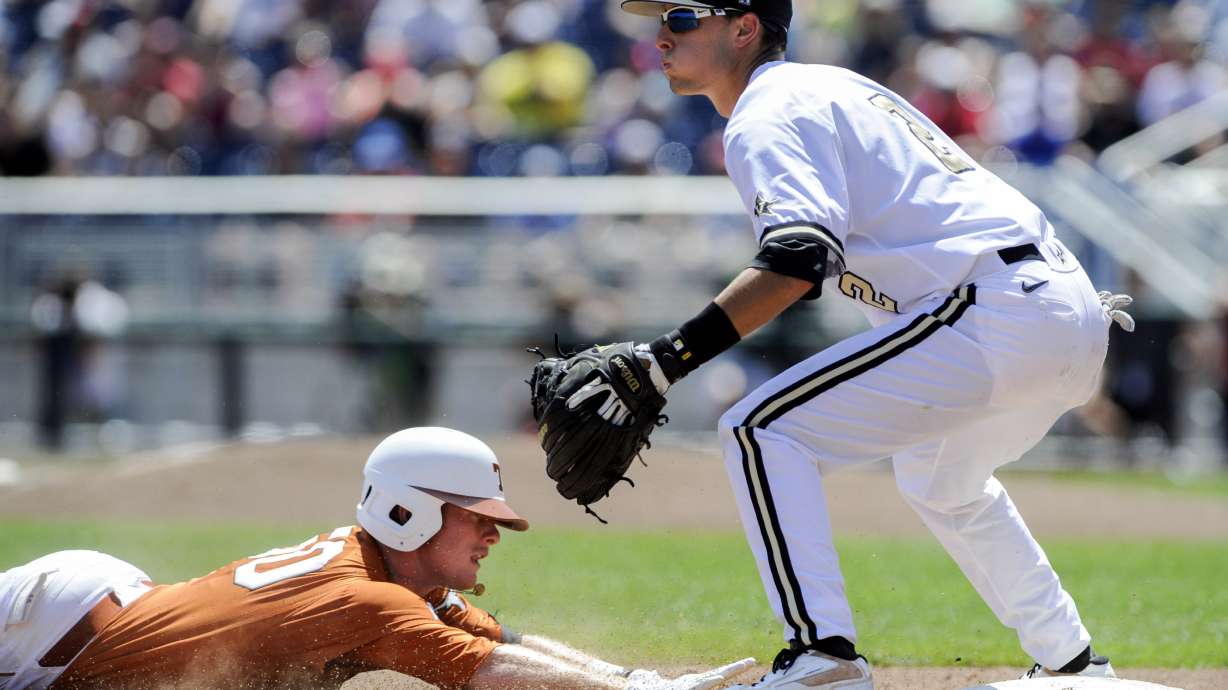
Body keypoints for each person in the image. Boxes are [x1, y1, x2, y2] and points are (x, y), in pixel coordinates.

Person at [602, 2, 1138, 688]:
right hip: (1060, 309)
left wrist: (664, 362)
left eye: (682, 13)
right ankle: (1073, 663)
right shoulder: (829, 87)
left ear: (744, 27)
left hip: (994, 308)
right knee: (941, 479)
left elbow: (799, 259)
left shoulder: (767, 111)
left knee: (760, 429)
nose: (663, 32)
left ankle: (822, 654)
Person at [0, 427, 752, 690]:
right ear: (408, 511)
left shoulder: (391, 575)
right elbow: (493, 676)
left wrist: (632, 678)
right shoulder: (372, 599)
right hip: (61, 629)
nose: (492, 534)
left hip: (108, 607)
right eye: (476, 519)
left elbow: (507, 643)